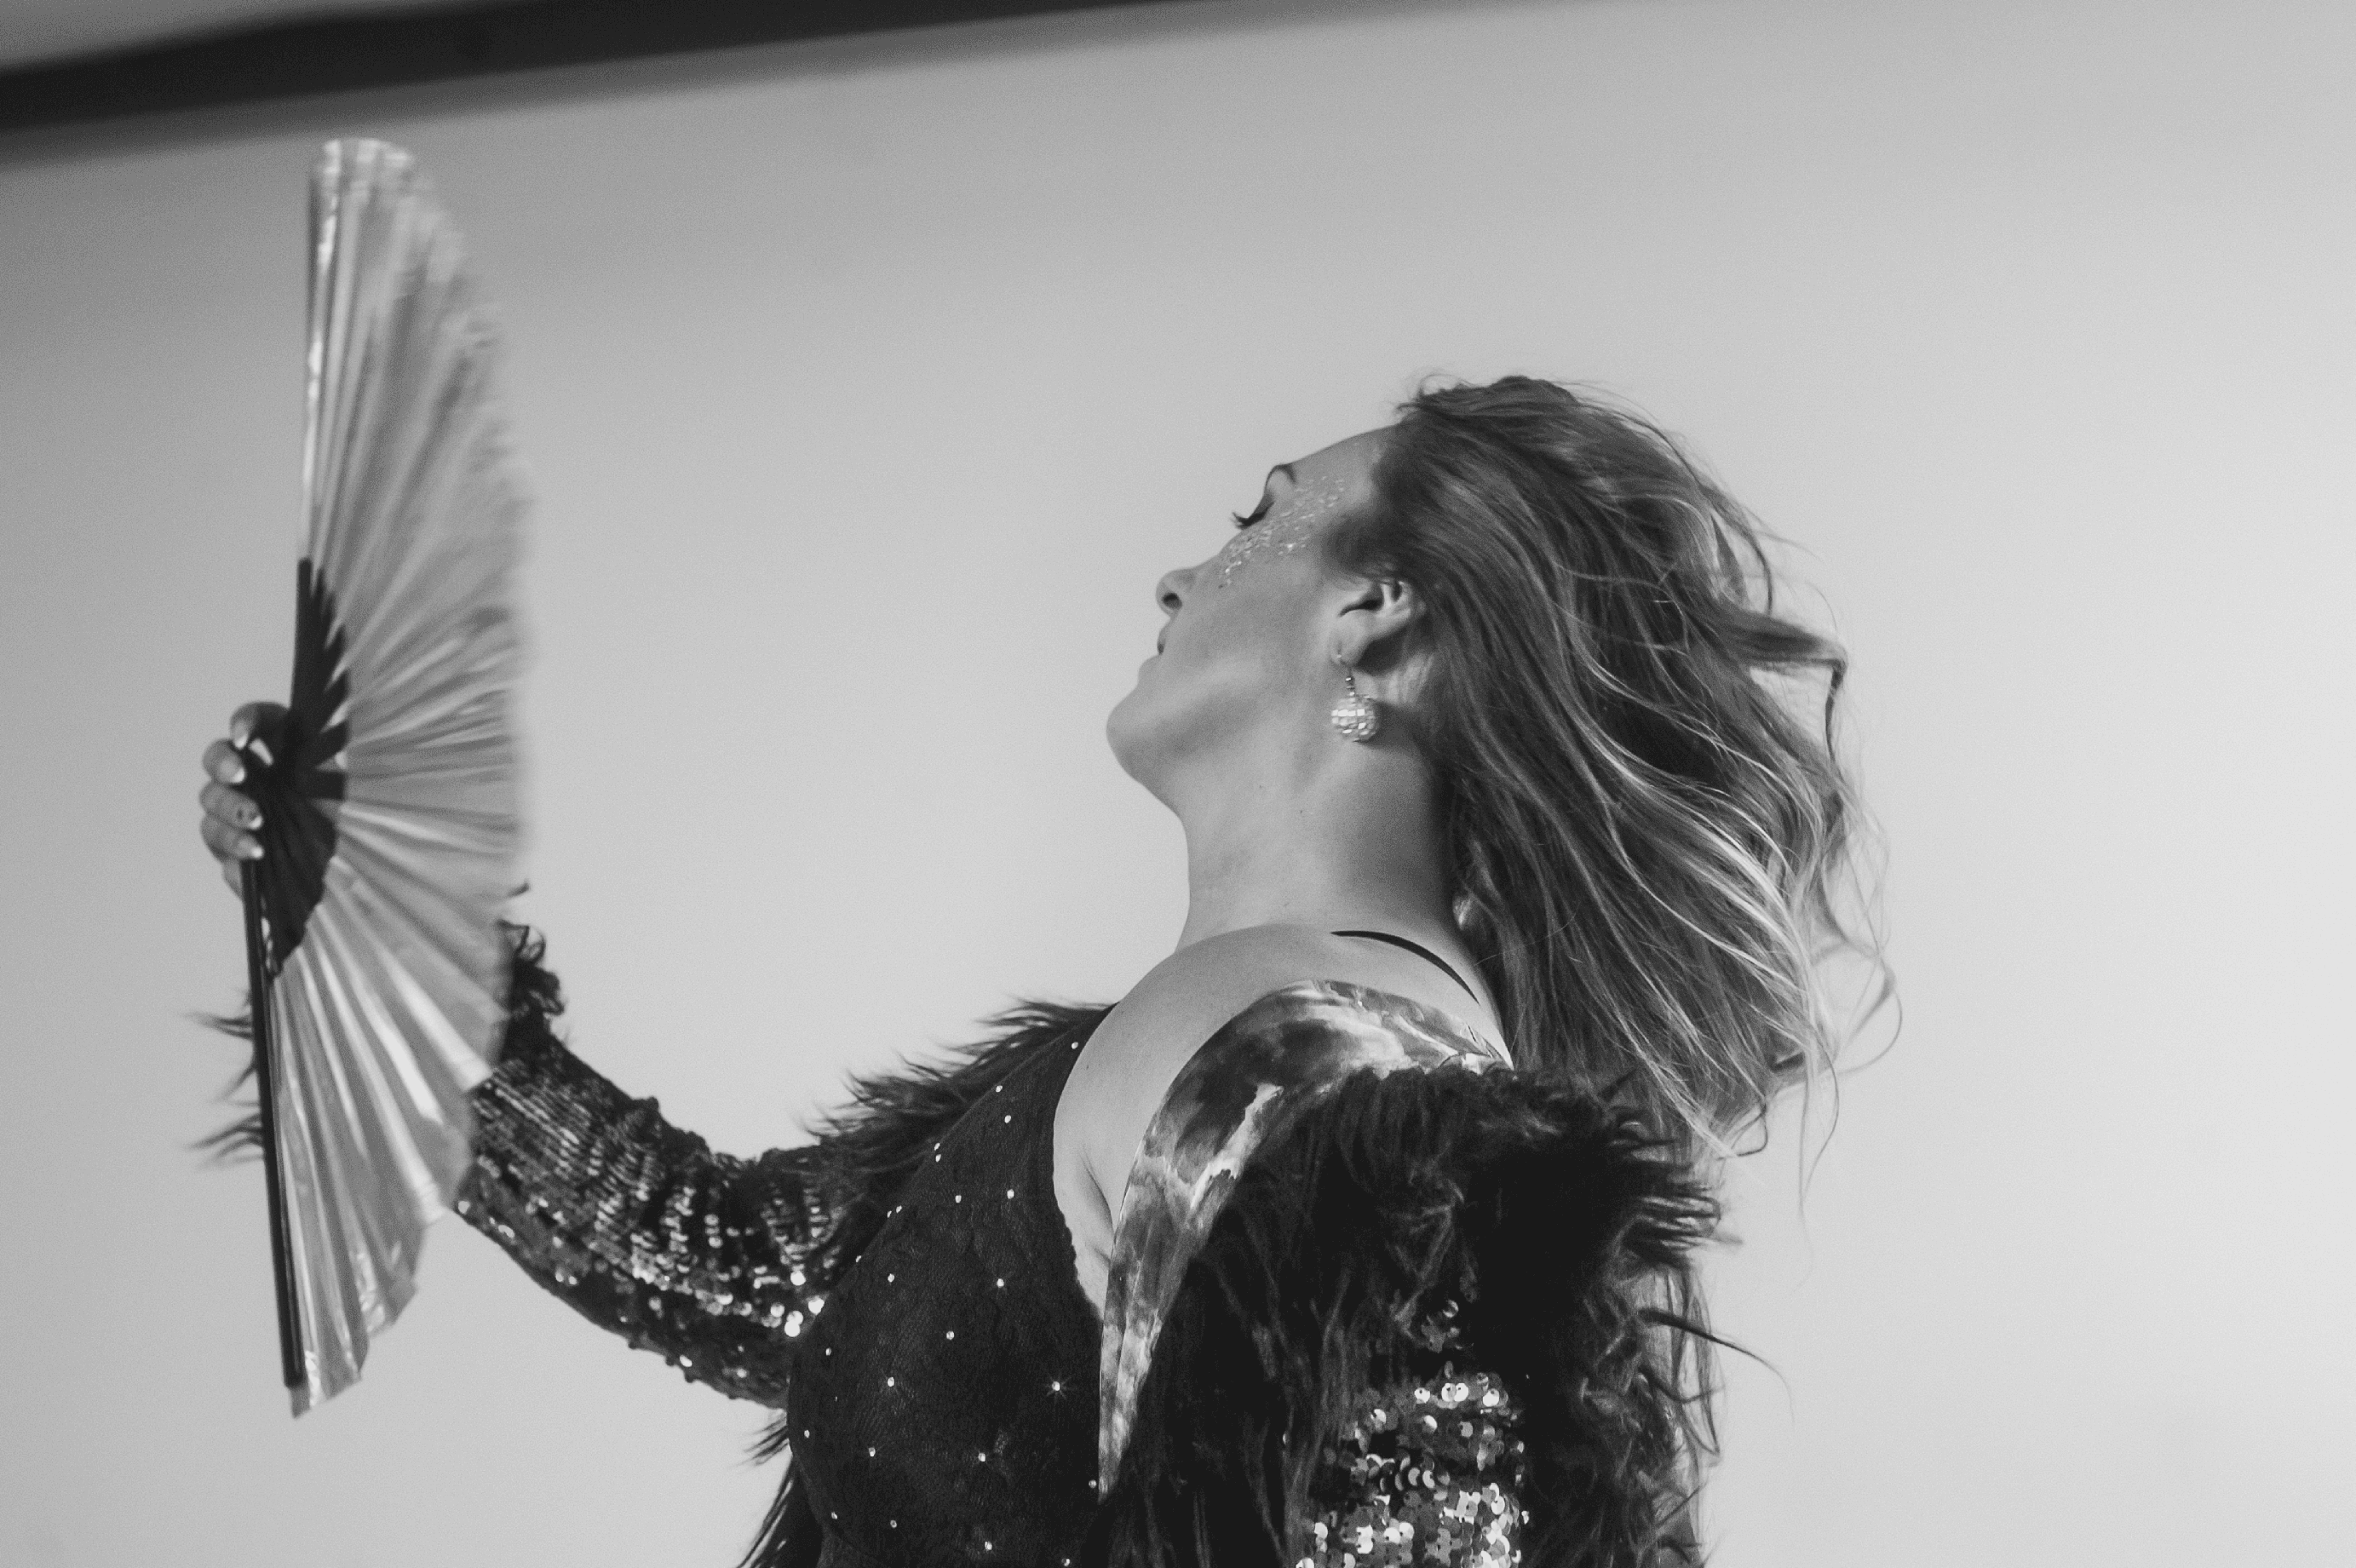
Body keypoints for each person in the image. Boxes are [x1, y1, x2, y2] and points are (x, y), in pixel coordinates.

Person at [198, 376, 1879, 1568]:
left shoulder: (1290, 1047)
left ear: (1378, 616)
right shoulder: (1232, 1040)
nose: (1175, 571)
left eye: (1258, 516)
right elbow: (734, 1267)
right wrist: (354, 915)